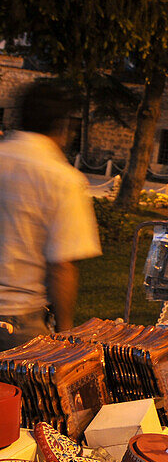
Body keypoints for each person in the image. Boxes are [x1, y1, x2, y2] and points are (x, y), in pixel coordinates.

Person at [0, 79, 101, 349]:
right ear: (63, 125)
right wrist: (64, 332)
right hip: (19, 319)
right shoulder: (62, 178)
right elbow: (62, 266)